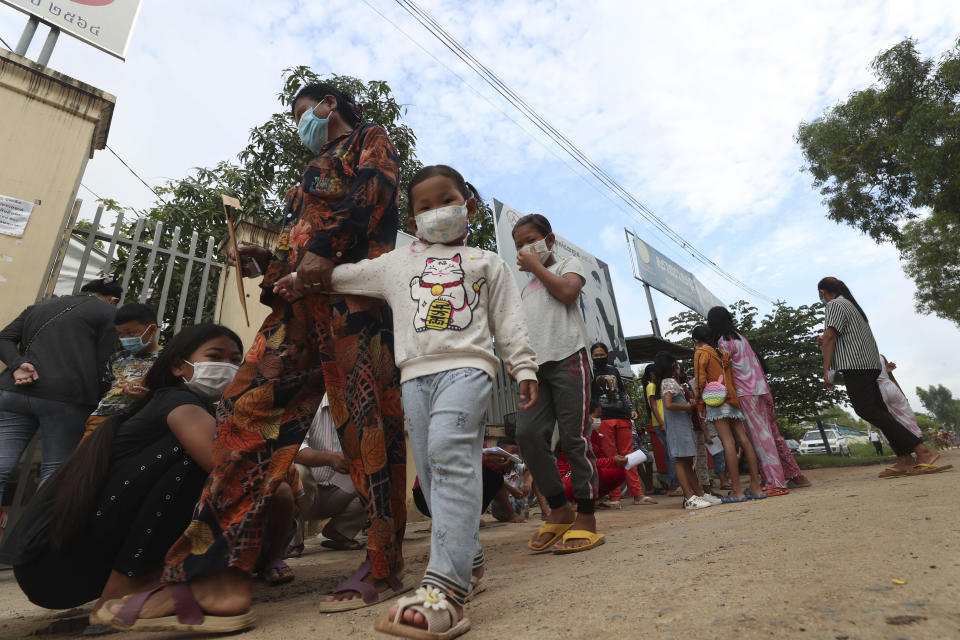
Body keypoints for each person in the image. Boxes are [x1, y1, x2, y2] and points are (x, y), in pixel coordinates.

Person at [98, 83, 408, 632]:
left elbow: (376, 191)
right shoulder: (308, 174)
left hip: (353, 304)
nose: (300, 121)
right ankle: (215, 576)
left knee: (369, 429)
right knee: (244, 419)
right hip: (296, 311)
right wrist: (264, 259)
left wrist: (321, 248)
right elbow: (299, 245)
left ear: (327, 105)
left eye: (302, 111)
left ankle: (381, 566)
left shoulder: (369, 138)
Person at [276, 164, 538, 639]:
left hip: (469, 368)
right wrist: (299, 280)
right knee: (434, 476)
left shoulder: (487, 263)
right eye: (424, 206)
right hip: (414, 378)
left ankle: (445, 590)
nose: (437, 212)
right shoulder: (397, 263)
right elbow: (345, 276)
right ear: (413, 218)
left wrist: (523, 367)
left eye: (446, 201)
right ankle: (471, 562)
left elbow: (509, 319)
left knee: (450, 455)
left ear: (468, 207)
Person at [0, 324, 241, 632]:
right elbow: (225, 470)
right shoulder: (177, 403)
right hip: (54, 563)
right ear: (178, 365)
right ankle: (128, 587)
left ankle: (145, 580)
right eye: (215, 356)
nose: (228, 367)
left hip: (64, 568)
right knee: (201, 459)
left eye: (236, 360)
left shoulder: (171, 405)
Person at [513, 213, 602, 555]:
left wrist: (536, 265)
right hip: (535, 370)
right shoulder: (525, 289)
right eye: (519, 244)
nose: (525, 248)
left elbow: (567, 292)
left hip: (569, 358)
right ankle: (559, 509)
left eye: (531, 240)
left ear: (549, 240)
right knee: (528, 434)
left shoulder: (568, 263)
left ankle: (587, 515)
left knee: (573, 438)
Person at [0, 276, 120, 502]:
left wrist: (18, 365)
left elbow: (4, 338)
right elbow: (106, 362)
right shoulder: (108, 312)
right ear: (113, 300)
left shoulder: (39, 307)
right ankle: (31, 536)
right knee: (54, 473)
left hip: (14, 392)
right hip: (66, 399)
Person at [817, 277, 947, 477]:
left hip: (856, 365)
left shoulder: (834, 304)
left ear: (823, 292)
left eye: (820, 294)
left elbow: (830, 336)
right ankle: (904, 459)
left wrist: (827, 371)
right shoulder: (852, 306)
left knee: (866, 409)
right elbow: (842, 338)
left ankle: (924, 451)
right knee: (879, 412)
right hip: (869, 364)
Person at [707, 306, 810, 494]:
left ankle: (775, 482)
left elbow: (725, 372)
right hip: (761, 389)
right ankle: (793, 474)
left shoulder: (723, 342)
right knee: (772, 434)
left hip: (746, 393)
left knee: (761, 438)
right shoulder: (740, 338)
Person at [692, 325, 766, 503]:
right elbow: (731, 378)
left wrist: (700, 405)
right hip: (731, 398)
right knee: (743, 439)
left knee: (727, 442)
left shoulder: (701, 353)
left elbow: (700, 380)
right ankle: (755, 486)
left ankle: (737, 490)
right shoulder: (722, 353)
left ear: (695, 340)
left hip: (715, 401)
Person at [290, 394, 366, 556]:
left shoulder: (359, 405)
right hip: (306, 492)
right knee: (296, 471)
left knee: (376, 477)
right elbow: (295, 450)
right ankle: (292, 541)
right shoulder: (309, 404)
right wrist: (330, 458)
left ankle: (338, 531)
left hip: (337, 492)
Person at [84, 303, 163, 438]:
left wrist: (147, 396)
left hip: (138, 422)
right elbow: (104, 388)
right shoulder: (117, 357)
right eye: (120, 334)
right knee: (84, 457)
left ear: (152, 329)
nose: (125, 339)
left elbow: (169, 395)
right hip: (100, 420)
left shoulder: (165, 359)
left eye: (131, 333)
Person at [654, 352, 719, 510]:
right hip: (678, 428)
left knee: (688, 462)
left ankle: (699, 494)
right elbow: (668, 405)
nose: (678, 367)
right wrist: (688, 407)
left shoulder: (671, 382)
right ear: (671, 366)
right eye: (676, 364)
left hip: (683, 427)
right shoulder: (668, 382)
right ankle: (689, 497)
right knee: (682, 462)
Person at [590, 342, 644, 507]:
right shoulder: (589, 372)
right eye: (596, 355)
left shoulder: (614, 370)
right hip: (603, 418)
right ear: (591, 357)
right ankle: (615, 498)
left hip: (622, 416)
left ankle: (638, 495)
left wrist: (631, 408)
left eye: (602, 354)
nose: (599, 357)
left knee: (629, 456)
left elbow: (622, 391)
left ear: (607, 355)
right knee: (611, 458)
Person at [644, 364, 677, 494]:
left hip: (666, 421)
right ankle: (674, 484)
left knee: (671, 453)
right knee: (671, 454)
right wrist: (661, 423)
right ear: (650, 374)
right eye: (654, 372)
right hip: (661, 423)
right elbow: (653, 405)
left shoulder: (660, 386)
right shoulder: (651, 386)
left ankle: (674, 483)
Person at [876, 354, 922, 439]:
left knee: (885, 420)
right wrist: (903, 395)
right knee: (908, 417)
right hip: (890, 386)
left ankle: (899, 447)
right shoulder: (881, 356)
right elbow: (891, 378)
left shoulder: (860, 357)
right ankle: (919, 442)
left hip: (877, 390)